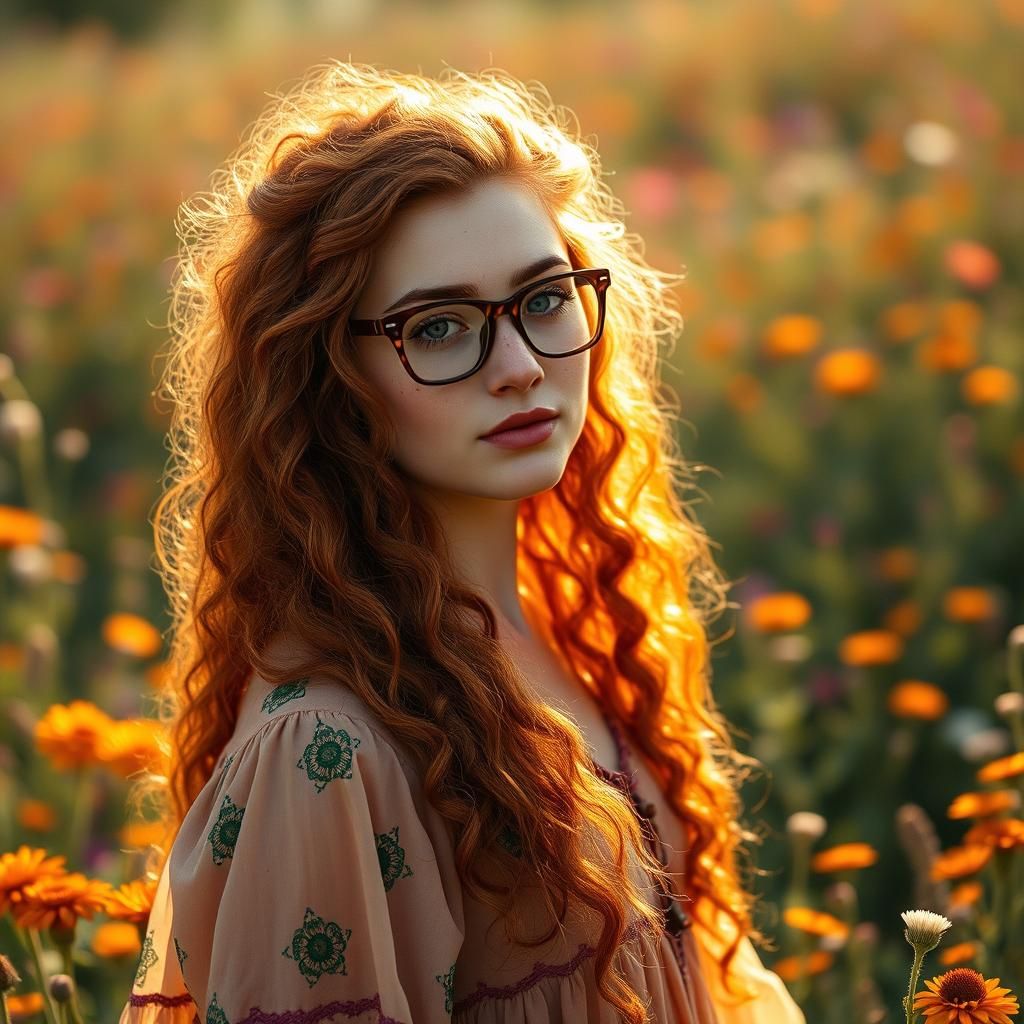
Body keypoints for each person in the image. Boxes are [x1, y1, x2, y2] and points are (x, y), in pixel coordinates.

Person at [119, 61, 806, 1023]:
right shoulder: (328, 748)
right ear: (326, 375)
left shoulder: (586, 623)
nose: (523, 367)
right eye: (439, 327)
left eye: (544, 298)